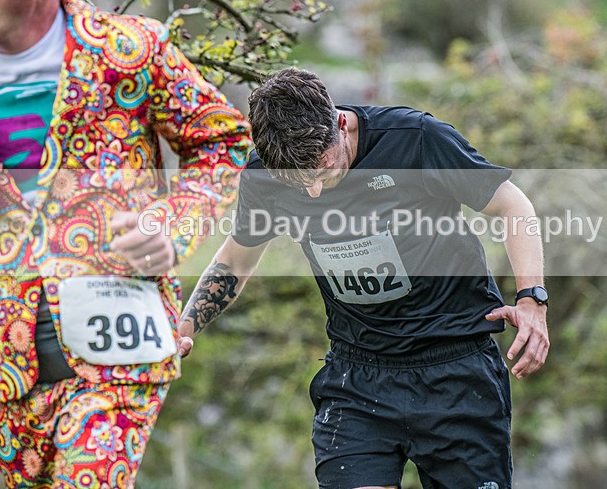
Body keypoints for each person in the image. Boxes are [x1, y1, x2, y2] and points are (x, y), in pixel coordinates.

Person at [178, 67, 550, 489]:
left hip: (454, 367)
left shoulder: (415, 138)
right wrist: (182, 328)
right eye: (298, 183)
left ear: (339, 122)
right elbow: (235, 261)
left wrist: (531, 299)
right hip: (357, 377)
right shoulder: (265, 175)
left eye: (321, 170)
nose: (314, 192)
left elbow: (513, 207)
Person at [0, 0, 250, 487]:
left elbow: (225, 141)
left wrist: (174, 223)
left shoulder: (131, 50)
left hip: (121, 355)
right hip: (3, 368)